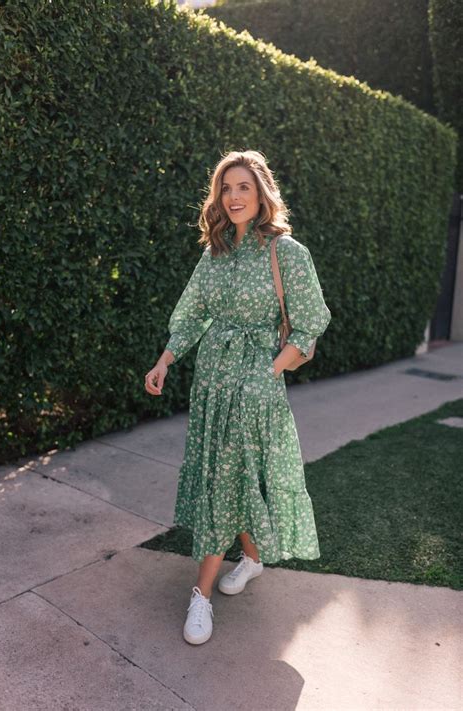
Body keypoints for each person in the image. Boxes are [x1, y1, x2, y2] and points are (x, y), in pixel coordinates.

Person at [145, 149, 331, 645]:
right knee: (225, 471)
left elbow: (312, 323)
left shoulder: (287, 252)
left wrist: (269, 371)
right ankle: (250, 556)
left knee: (227, 475)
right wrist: (166, 359)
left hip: (256, 384)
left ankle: (201, 594)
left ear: (262, 192)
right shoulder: (216, 252)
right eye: (226, 188)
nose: (233, 197)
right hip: (211, 381)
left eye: (243, 187)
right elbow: (191, 312)